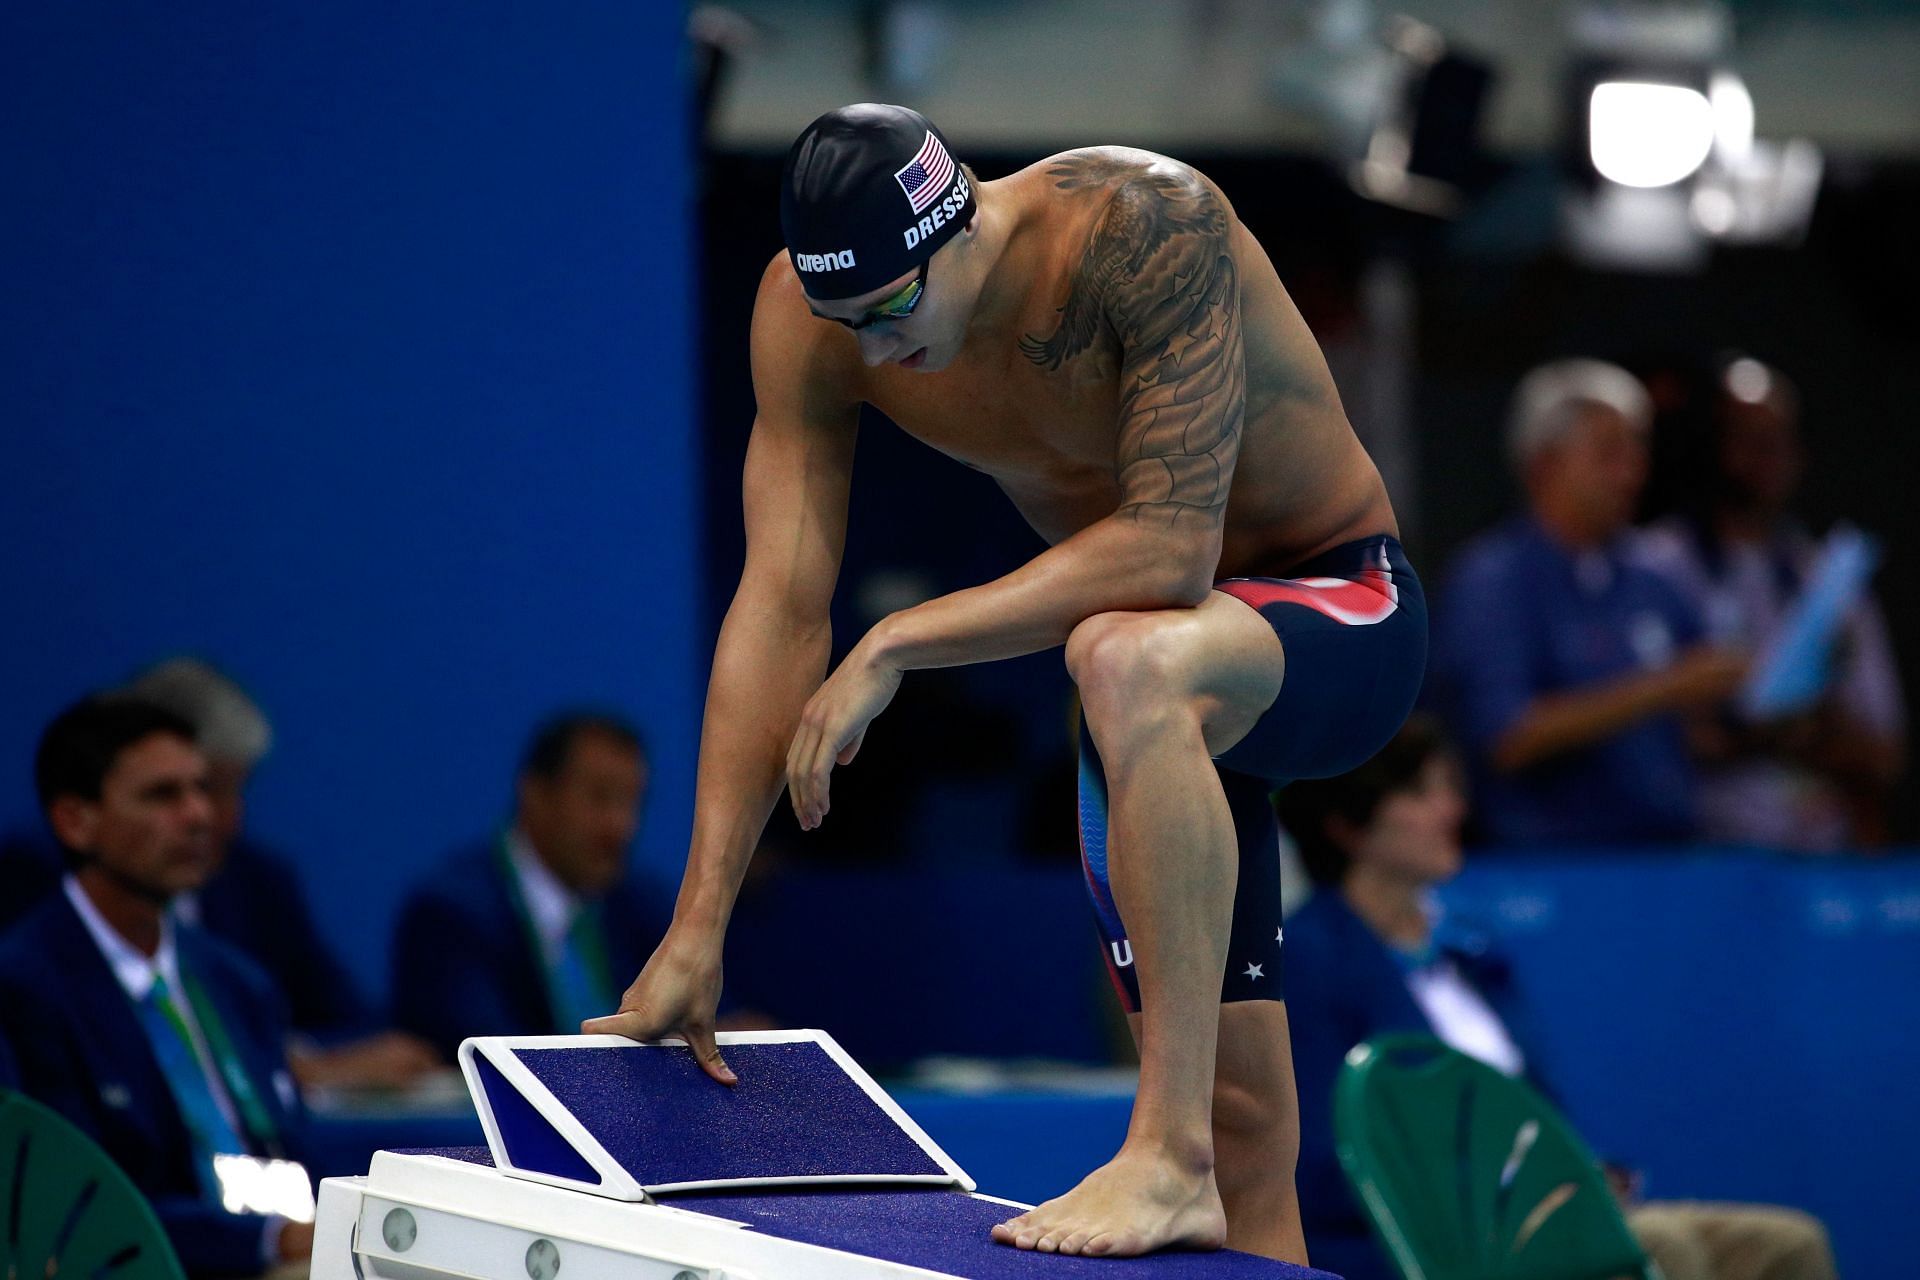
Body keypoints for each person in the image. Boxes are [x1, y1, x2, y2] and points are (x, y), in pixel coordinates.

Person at [583, 103, 1426, 1261]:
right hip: (1158, 710)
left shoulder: (1146, 228)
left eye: (890, 311)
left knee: (1120, 651)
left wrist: (894, 641)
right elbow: (777, 605)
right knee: (1248, 1123)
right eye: (846, 322)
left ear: (961, 220)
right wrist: (699, 921)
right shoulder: (813, 315)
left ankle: (1160, 1154)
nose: (874, 353)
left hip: (1336, 608)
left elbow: (1171, 551)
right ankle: (1199, 1153)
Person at [1275, 718, 1839, 1280]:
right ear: (1347, 823)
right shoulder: (1311, 959)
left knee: (1788, 1246)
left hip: (1538, 1210)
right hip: (1439, 1236)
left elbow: (1532, 1111)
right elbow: (1331, 1157)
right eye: (1422, 792)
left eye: (1451, 789)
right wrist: (1520, 1193)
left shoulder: (1471, 952)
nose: (1453, 810)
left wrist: (1578, 1177)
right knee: (1664, 1250)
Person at [0, 697, 314, 1274]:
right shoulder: (23, 989)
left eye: (203, 789)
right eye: (162, 796)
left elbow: (291, 1154)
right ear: (76, 820)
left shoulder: (236, 980)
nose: (200, 815)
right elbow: (75, 1209)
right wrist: (271, 1241)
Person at [1427, 358, 1746, 846]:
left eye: (1639, 451)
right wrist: (1666, 687)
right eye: (1609, 454)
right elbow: (1506, 737)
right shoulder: (1493, 581)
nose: (1633, 473)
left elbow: (1706, 731)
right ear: (1543, 464)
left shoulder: (1656, 575)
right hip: (1550, 877)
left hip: (1675, 860)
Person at [1635, 358, 1906, 850]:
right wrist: (1754, 730)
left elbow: (1885, 755)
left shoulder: (1827, 579)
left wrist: (1810, 726)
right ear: (1711, 445)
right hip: (1702, 858)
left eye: (1781, 440)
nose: (1769, 457)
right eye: (1747, 438)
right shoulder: (1653, 567)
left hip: (1823, 860)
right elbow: (1669, 742)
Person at [391, 712, 674, 1061]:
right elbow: (498, 1057)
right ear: (536, 794)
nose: (621, 826)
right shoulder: (452, 915)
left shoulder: (642, 903)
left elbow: (710, 1018)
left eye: (633, 802)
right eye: (600, 797)